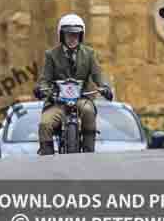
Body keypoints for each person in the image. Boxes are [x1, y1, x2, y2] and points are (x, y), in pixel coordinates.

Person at [35, 13, 113, 154]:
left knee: (88, 111)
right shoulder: (51, 55)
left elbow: (97, 75)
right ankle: (46, 157)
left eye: (76, 35)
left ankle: (89, 152)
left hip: (81, 98)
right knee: (44, 124)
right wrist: (41, 89)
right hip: (57, 101)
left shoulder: (89, 53)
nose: (72, 38)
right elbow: (45, 79)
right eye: (69, 34)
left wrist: (104, 87)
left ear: (81, 36)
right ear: (62, 35)